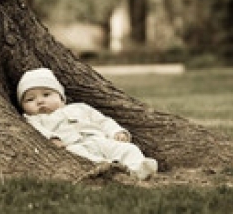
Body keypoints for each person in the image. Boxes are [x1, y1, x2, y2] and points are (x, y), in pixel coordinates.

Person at [17, 67, 158, 180]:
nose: (40, 101)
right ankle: (109, 169)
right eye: (30, 99)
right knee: (82, 157)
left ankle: (139, 168)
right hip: (73, 146)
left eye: (46, 95)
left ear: (61, 98)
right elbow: (38, 130)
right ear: (23, 106)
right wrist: (52, 138)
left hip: (100, 139)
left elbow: (103, 121)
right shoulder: (34, 119)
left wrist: (116, 132)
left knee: (128, 149)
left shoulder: (80, 107)